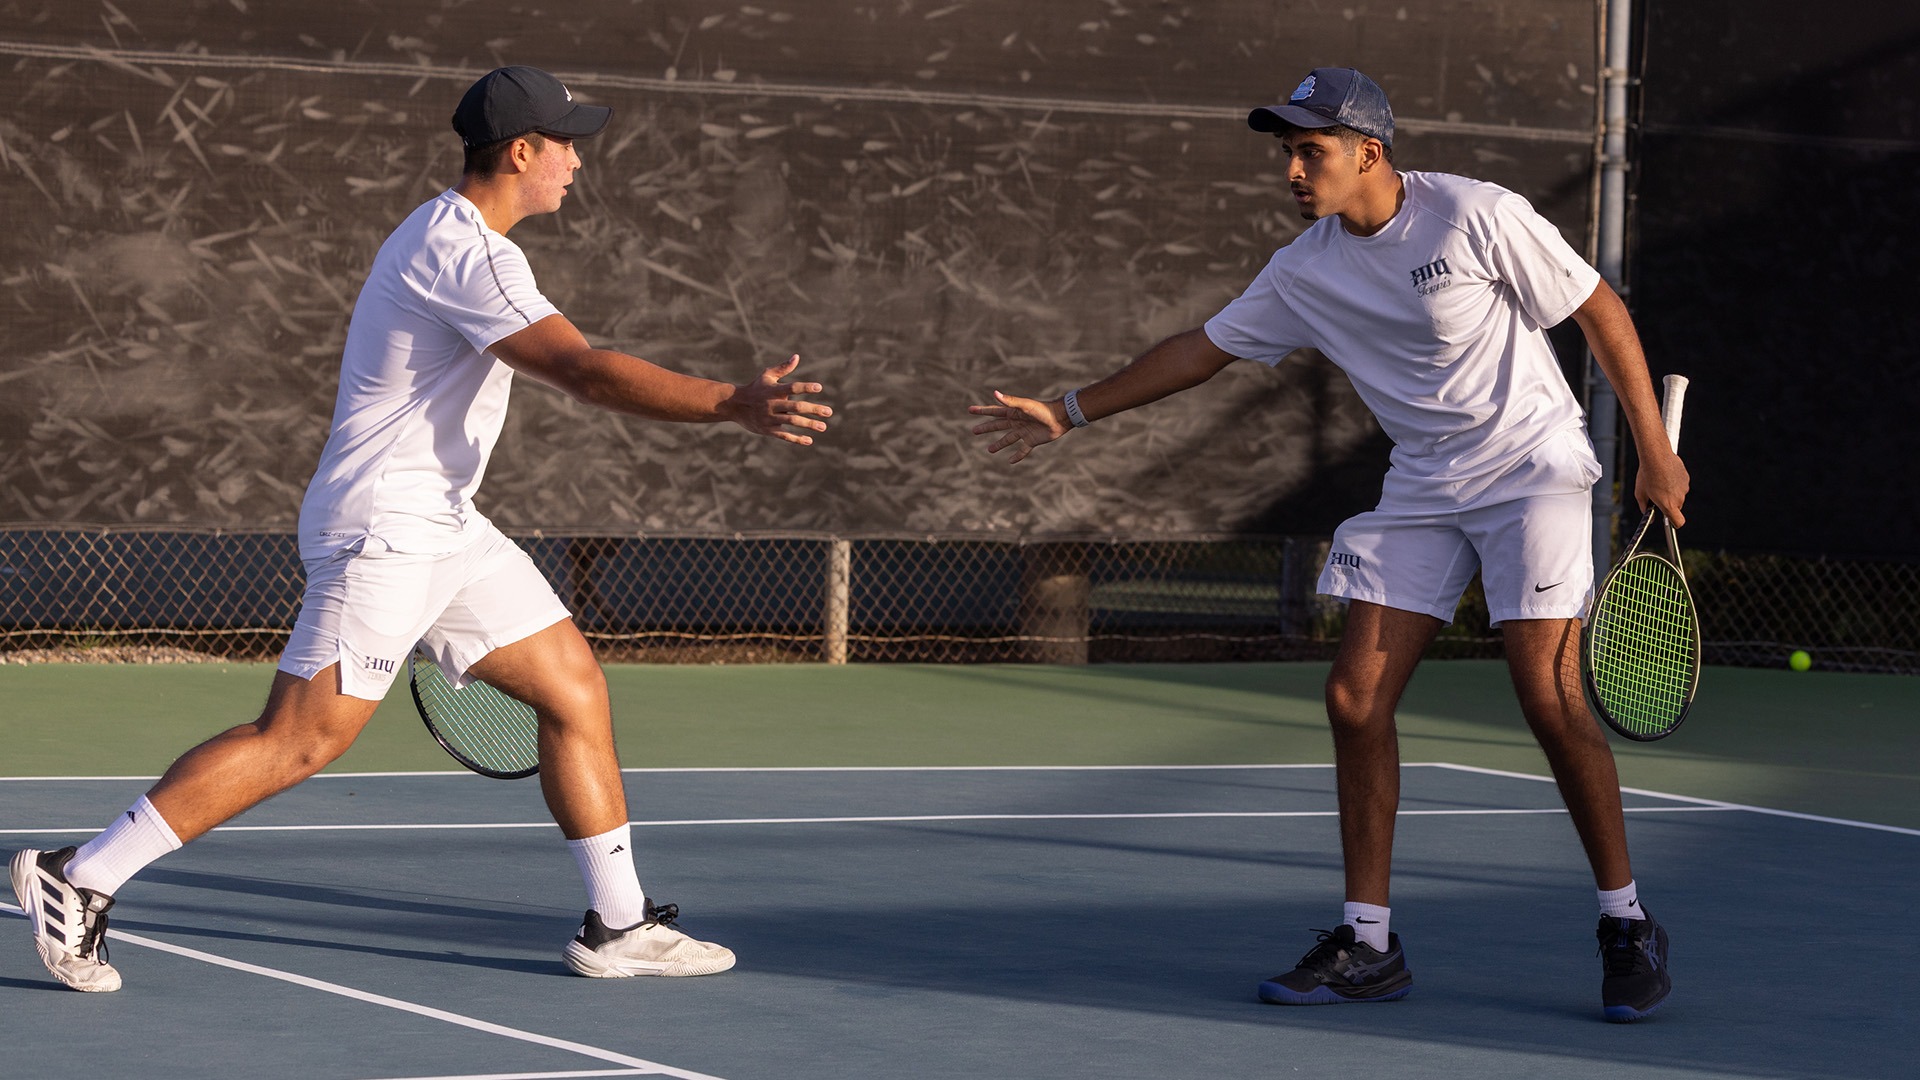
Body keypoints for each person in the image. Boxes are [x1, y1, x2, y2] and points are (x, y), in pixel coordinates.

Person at [10, 65, 832, 992]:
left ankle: (618, 924)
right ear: (520, 151)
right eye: (565, 145)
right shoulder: (464, 253)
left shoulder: (461, 239)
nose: (575, 163)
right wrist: (730, 404)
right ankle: (81, 875)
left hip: (444, 525)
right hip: (385, 530)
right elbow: (583, 370)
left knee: (572, 687)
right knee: (301, 739)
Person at [969, 67, 1686, 1022]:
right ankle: (1369, 941)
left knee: (1548, 701)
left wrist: (1654, 452)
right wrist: (1069, 410)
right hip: (1425, 484)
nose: (1294, 170)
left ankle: (1626, 921)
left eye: (1311, 151)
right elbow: (1201, 349)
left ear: (1369, 153)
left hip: (1533, 472)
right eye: (1289, 152)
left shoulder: (1476, 215)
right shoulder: (1305, 270)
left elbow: (1599, 308)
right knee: (1355, 698)